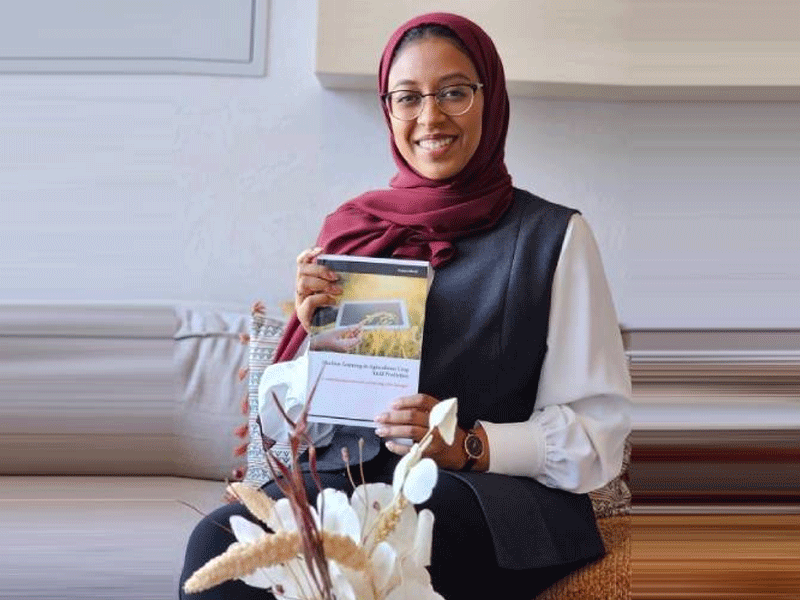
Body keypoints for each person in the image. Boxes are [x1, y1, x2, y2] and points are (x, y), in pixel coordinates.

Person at [180, 12, 631, 600]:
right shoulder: (351, 232)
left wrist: (469, 444)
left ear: (489, 100)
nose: (430, 117)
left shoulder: (554, 236)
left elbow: (599, 434)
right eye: (408, 97)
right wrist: (310, 329)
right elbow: (291, 432)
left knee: (399, 537)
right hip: (347, 489)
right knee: (213, 545)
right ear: (387, 109)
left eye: (453, 93)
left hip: (479, 500)